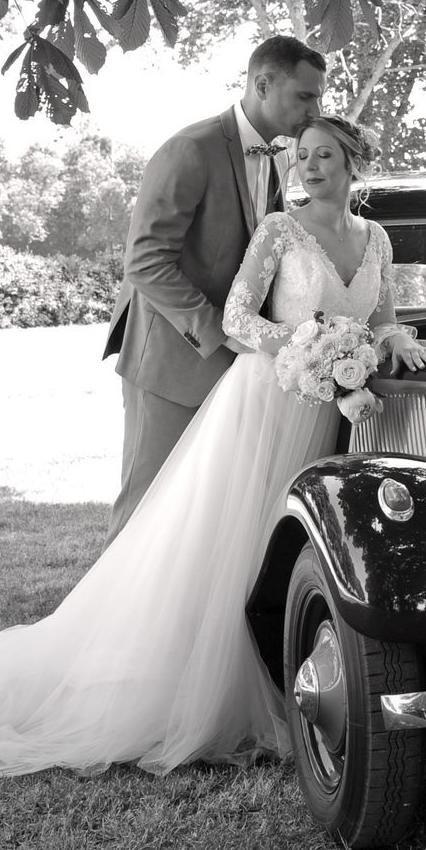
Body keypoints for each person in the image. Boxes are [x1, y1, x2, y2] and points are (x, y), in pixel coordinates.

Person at [0, 114, 426, 776]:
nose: (309, 167)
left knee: (293, 545)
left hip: (327, 417)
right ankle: (201, 693)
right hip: (264, 401)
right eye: (302, 156)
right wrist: (302, 345)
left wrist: (393, 338)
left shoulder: (374, 238)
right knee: (228, 544)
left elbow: (382, 316)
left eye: (324, 157)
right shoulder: (279, 231)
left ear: (352, 165)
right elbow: (236, 317)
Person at [102, 34, 325, 541]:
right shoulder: (190, 149)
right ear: (262, 84)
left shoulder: (274, 159)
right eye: (305, 96)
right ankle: (120, 621)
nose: (315, 108)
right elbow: (145, 260)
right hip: (169, 360)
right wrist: (221, 334)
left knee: (199, 518)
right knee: (145, 508)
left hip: (237, 368)